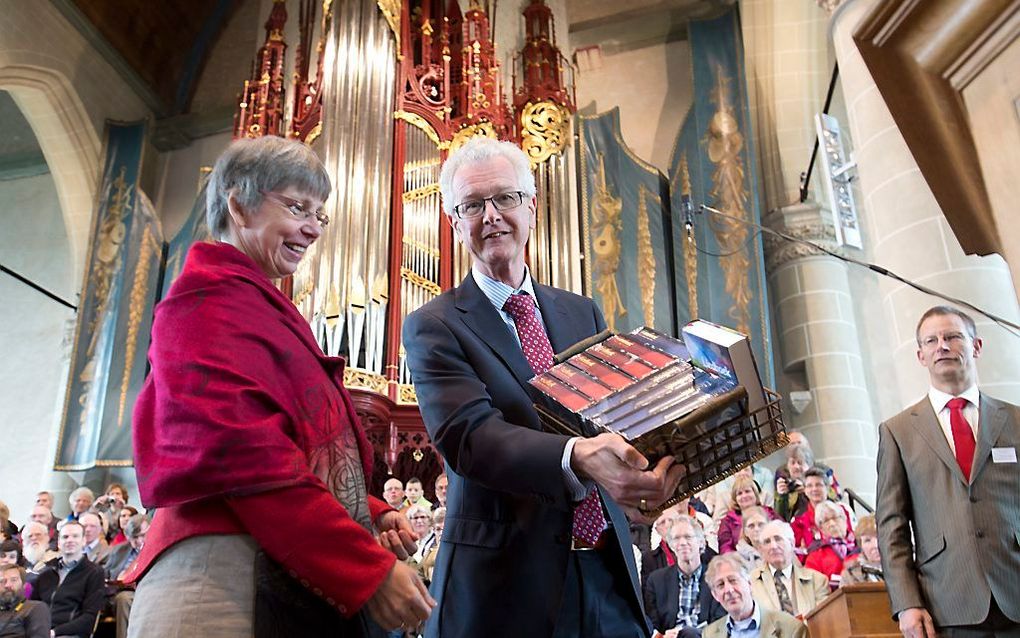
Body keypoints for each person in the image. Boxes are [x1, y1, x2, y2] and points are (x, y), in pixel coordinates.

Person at [129, 136, 434, 637]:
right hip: (222, 579)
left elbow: (299, 444)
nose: (313, 228)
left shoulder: (259, 302)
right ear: (239, 205)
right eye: (297, 207)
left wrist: (369, 510)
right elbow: (243, 455)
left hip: (272, 568)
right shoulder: (206, 299)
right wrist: (366, 569)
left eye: (320, 214)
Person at [402, 137, 682, 638]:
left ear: (532, 206)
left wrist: (652, 467)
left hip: (607, 572)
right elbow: (471, 438)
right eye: (472, 205)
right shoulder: (434, 325)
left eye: (505, 198)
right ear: (453, 224)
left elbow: (613, 418)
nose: (491, 216)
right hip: (505, 590)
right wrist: (576, 456)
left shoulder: (582, 311)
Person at [877, 306, 1020, 637]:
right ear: (921, 355)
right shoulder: (898, 432)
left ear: (976, 346)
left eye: (953, 336)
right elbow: (891, 527)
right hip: (949, 603)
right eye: (931, 340)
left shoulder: (1014, 420)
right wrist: (906, 604)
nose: (942, 345)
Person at [643, 516, 725, 637]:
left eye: (688, 537)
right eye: (676, 538)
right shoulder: (656, 580)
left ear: (701, 542)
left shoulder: (718, 577)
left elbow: (721, 620)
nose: (682, 543)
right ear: (671, 545)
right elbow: (652, 623)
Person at [702, 553, 806, 638]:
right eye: (720, 585)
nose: (728, 589)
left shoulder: (790, 628)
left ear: (749, 583)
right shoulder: (709, 634)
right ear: (715, 595)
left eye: (733, 580)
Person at [30, 521, 105, 638]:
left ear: (84, 540)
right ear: (59, 542)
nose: (70, 540)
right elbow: (32, 605)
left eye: (75, 536)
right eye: (65, 537)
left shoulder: (94, 572)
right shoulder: (46, 571)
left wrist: (55, 632)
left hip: (69, 634)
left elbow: (89, 618)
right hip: (40, 631)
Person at [749, 521, 828, 618]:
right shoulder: (750, 583)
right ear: (761, 549)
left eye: (778, 539)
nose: (773, 546)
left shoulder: (817, 580)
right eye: (767, 542)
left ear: (792, 543)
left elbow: (824, 621)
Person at [789, 468, 853, 549]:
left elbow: (854, 537)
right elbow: (797, 551)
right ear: (805, 490)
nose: (814, 489)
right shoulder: (798, 520)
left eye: (819, 484)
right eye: (809, 486)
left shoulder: (843, 510)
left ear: (827, 488)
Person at [802, 501, 857, 589]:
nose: (832, 524)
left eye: (835, 517)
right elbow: (814, 587)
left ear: (845, 519)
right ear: (821, 528)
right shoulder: (816, 555)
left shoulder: (862, 543)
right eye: (826, 521)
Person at [717, 477, 775, 553]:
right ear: (735, 499)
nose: (744, 496)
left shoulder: (769, 512)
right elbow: (725, 548)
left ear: (755, 493)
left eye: (747, 491)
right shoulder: (727, 521)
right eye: (739, 493)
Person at [0, 564, 50, 638]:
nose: (7, 585)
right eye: (2, 581)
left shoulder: (35, 608)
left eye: (13, 580)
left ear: (24, 585)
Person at [773, 445, 812, 522]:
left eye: (800, 462)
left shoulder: (816, 484)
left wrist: (807, 491)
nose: (796, 466)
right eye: (792, 463)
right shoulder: (786, 485)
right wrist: (781, 496)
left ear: (808, 466)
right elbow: (779, 519)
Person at [840, 515, 883, 586]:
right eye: (867, 540)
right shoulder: (849, 576)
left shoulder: (904, 567)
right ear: (861, 546)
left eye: (878, 537)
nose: (875, 545)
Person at [641, 508, 681, 584]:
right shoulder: (650, 559)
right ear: (657, 530)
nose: (668, 525)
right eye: (663, 522)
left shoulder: (697, 549)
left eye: (671, 520)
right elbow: (648, 590)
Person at [734, 506, 769, 570]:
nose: (756, 529)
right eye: (751, 526)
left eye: (761, 524)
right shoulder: (738, 559)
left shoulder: (780, 550)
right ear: (745, 532)